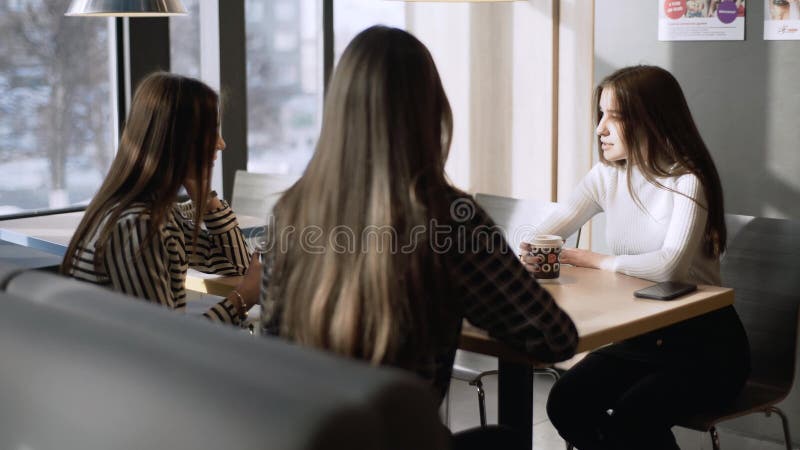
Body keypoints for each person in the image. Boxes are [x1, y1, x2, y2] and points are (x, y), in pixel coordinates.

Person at [259, 26, 579, 449]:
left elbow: (271, 344)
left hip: (307, 437)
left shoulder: (290, 212)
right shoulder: (451, 221)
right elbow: (555, 337)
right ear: (431, 114)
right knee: (506, 440)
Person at [520, 65, 750, 450]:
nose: (600, 128)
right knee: (566, 402)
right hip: (640, 338)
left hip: (706, 346)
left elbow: (668, 266)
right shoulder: (606, 176)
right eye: (601, 115)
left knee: (634, 418)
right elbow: (543, 231)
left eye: (616, 116)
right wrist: (534, 248)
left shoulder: (687, 180)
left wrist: (592, 259)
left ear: (653, 120)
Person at [62, 72, 261, 326]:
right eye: (212, 132)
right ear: (178, 141)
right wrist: (241, 299)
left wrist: (206, 199)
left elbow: (239, 264)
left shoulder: (158, 213)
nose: (221, 144)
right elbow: (167, 342)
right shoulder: (141, 225)